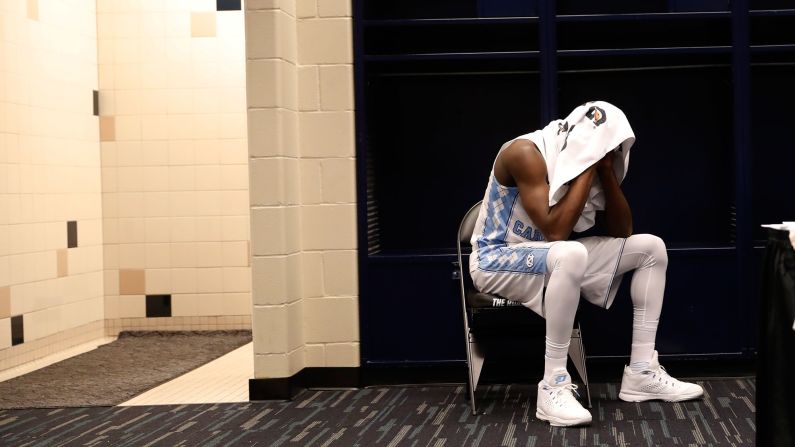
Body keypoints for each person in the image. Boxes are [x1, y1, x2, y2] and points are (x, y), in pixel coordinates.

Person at [469, 101, 703, 427]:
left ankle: (641, 372)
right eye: (605, 149)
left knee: (651, 248)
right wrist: (587, 165)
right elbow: (555, 231)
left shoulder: (589, 167)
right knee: (570, 252)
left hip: (549, 256)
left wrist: (605, 172)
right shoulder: (526, 152)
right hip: (495, 259)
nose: (611, 156)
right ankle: (553, 386)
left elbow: (623, 232)